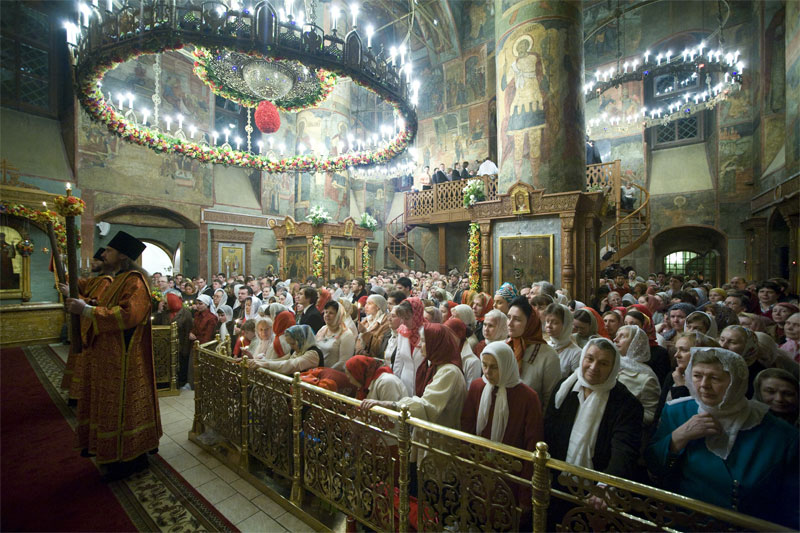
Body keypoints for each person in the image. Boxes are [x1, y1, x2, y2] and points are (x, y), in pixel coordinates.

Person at [646, 348, 798, 528]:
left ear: (736, 382)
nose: (704, 385)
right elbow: (654, 467)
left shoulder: (779, 433)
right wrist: (678, 437)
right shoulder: (677, 411)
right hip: (685, 522)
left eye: (715, 378)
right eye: (697, 376)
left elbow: (792, 502)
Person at [65, 231, 162, 481]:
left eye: (109, 250)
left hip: (125, 357)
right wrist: (89, 306)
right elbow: (105, 305)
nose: (104, 253)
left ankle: (129, 459)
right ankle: (112, 454)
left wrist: (87, 311)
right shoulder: (118, 279)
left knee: (123, 406)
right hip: (109, 354)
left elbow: (128, 315)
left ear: (122, 255)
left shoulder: (135, 281)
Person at [544, 338, 644, 480]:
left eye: (603, 363)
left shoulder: (626, 404)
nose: (593, 367)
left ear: (613, 368)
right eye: (589, 359)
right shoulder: (564, 389)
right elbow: (549, 430)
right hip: (557, 476)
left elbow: (624, 452)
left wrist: (605, 485)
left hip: (598, 485)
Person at [461, 341, 543, 449]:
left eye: (494, 367)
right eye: (484, 365)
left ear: (507, 366)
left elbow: (532, 438)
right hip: (478, 454)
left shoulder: (528, 397)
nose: (487, 372)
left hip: (511, 457)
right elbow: (467, 424)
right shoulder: (477, 387)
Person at [59, 247, 114, 401]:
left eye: (97, 260)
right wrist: (62, 265)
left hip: (92, 327)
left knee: (85, 359)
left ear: (104, 263)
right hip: (84, 324)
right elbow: (76, 282)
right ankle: (76, 392)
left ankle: (82, 395)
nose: (93, 263)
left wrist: (71, 294)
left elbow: (96, 303)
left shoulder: (106, 281)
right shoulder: (95, 280)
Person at [507, 297, 561, 409]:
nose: (510, 323)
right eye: (508, 317)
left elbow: (550, 400)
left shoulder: (548, 355)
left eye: (517, 319)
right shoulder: (504, 347)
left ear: (530, 323)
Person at [614, 325, 661, 425]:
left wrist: (622, 414)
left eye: (622, 336)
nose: (615, 339)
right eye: (616, 335)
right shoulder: (612, 365)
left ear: (635, 343)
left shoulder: (646, 378)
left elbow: (652, 415)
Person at [153, 290, 194, 387]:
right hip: (166, 345)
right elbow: (156, 322)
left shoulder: (185, 313)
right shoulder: (165, 313)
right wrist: (159, 311)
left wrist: (185, 349)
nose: (165, 305)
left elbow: (187, 331)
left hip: (180, 345)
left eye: (166, 303)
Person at [249, 324, 322, 374]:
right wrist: (257, 361)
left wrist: (265, 364)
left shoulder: (313, 354)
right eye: (290, 344)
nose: (291, 347)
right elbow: (280, 360)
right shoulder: (297, 350)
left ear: (302, 341)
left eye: (293, 344)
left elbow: (290, 365)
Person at [718, 325, 767, 398]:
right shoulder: (715, 365)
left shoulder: (760, 374)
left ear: (748, 346)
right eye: (722, 340)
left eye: (733, 342)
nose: (723, 346)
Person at [393, 297, 428, 396]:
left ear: (417, 315)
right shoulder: (402, 331)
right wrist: (396, 382)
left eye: (407, 318)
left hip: (423, 382)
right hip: (405, 381)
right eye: (402, 318)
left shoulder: (428, 332)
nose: (403, 322)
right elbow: (398, 360)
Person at [544, 303, 582, 378]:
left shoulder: (576, 354)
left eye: (555, 322)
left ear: (566, 325)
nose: (549, 326)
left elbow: (572, 381)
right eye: (547, 321)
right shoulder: (545, 345)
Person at [315, 301, 356, 371]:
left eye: (331, 313)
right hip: (317, 370)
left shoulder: (347, 335)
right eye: (326, 312)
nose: (327, 315)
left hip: (333, 373)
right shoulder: (323, 329)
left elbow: (343, 362)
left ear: (339, 315)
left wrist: (325, 372)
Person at [444, 317, 481, 387]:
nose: (446, 337)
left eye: (449, 334)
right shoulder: (446, 354)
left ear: (459, 335)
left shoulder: (473, 362)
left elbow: (470, 389)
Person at [356, 294, 391, 359]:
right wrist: (360, 351)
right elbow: (358, 341)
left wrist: (365, 332)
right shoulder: (366, 320)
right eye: (366, 303)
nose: (366, 306)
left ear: (378, 307)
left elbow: (378, 348)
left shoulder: (386, 323)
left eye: (369, 304)